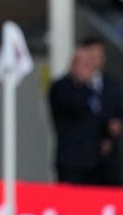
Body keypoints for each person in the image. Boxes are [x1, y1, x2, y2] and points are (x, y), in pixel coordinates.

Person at [50, 38, 123, 185]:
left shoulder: (111, 85)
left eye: (98, 58)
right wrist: (82, 84)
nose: (92, 65)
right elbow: (74, 108)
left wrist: (111, 132)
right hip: (73, 164)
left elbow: (115, 112)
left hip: (104, 163)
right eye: (87, 61)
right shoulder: (62, 88)